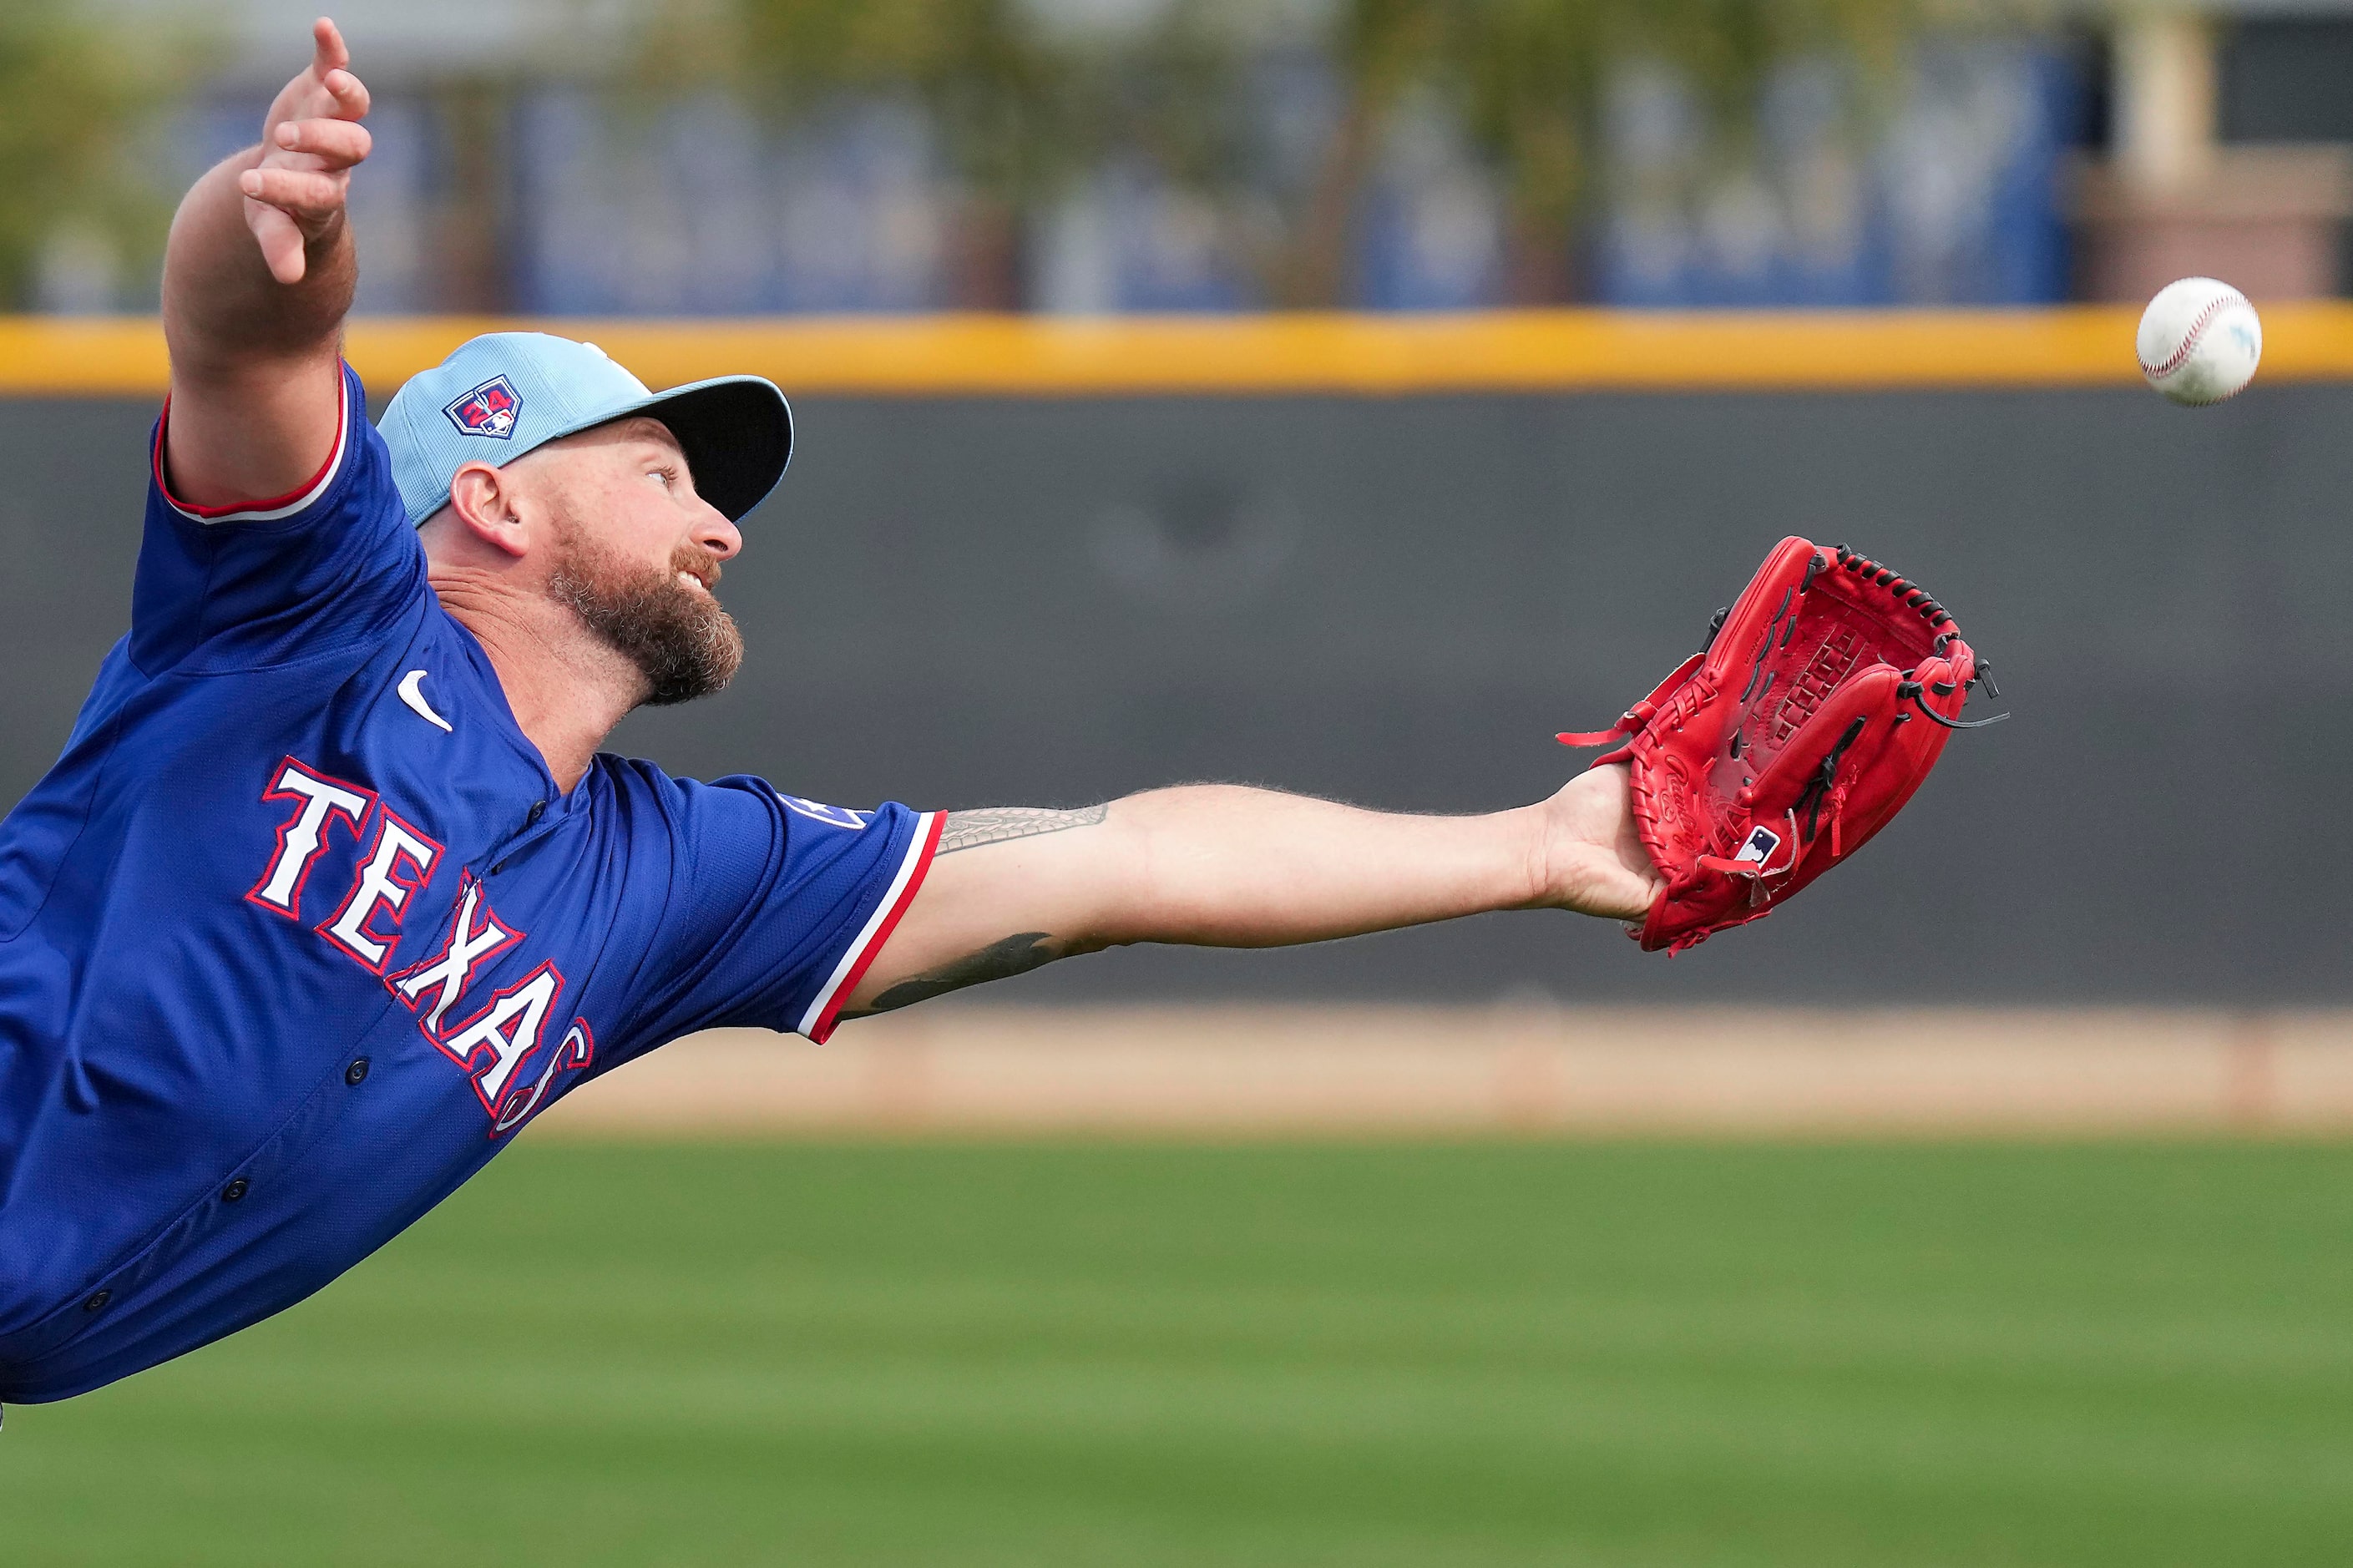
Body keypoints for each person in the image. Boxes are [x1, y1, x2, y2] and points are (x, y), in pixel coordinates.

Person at [0, 19, 1657, 1409]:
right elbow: (251, 331)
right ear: (491, 501)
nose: (720, 529)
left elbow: (1119, 862)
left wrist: (1537, 844)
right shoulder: (307, 614)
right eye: (658, 475)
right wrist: (277, 215)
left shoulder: (670, 880)